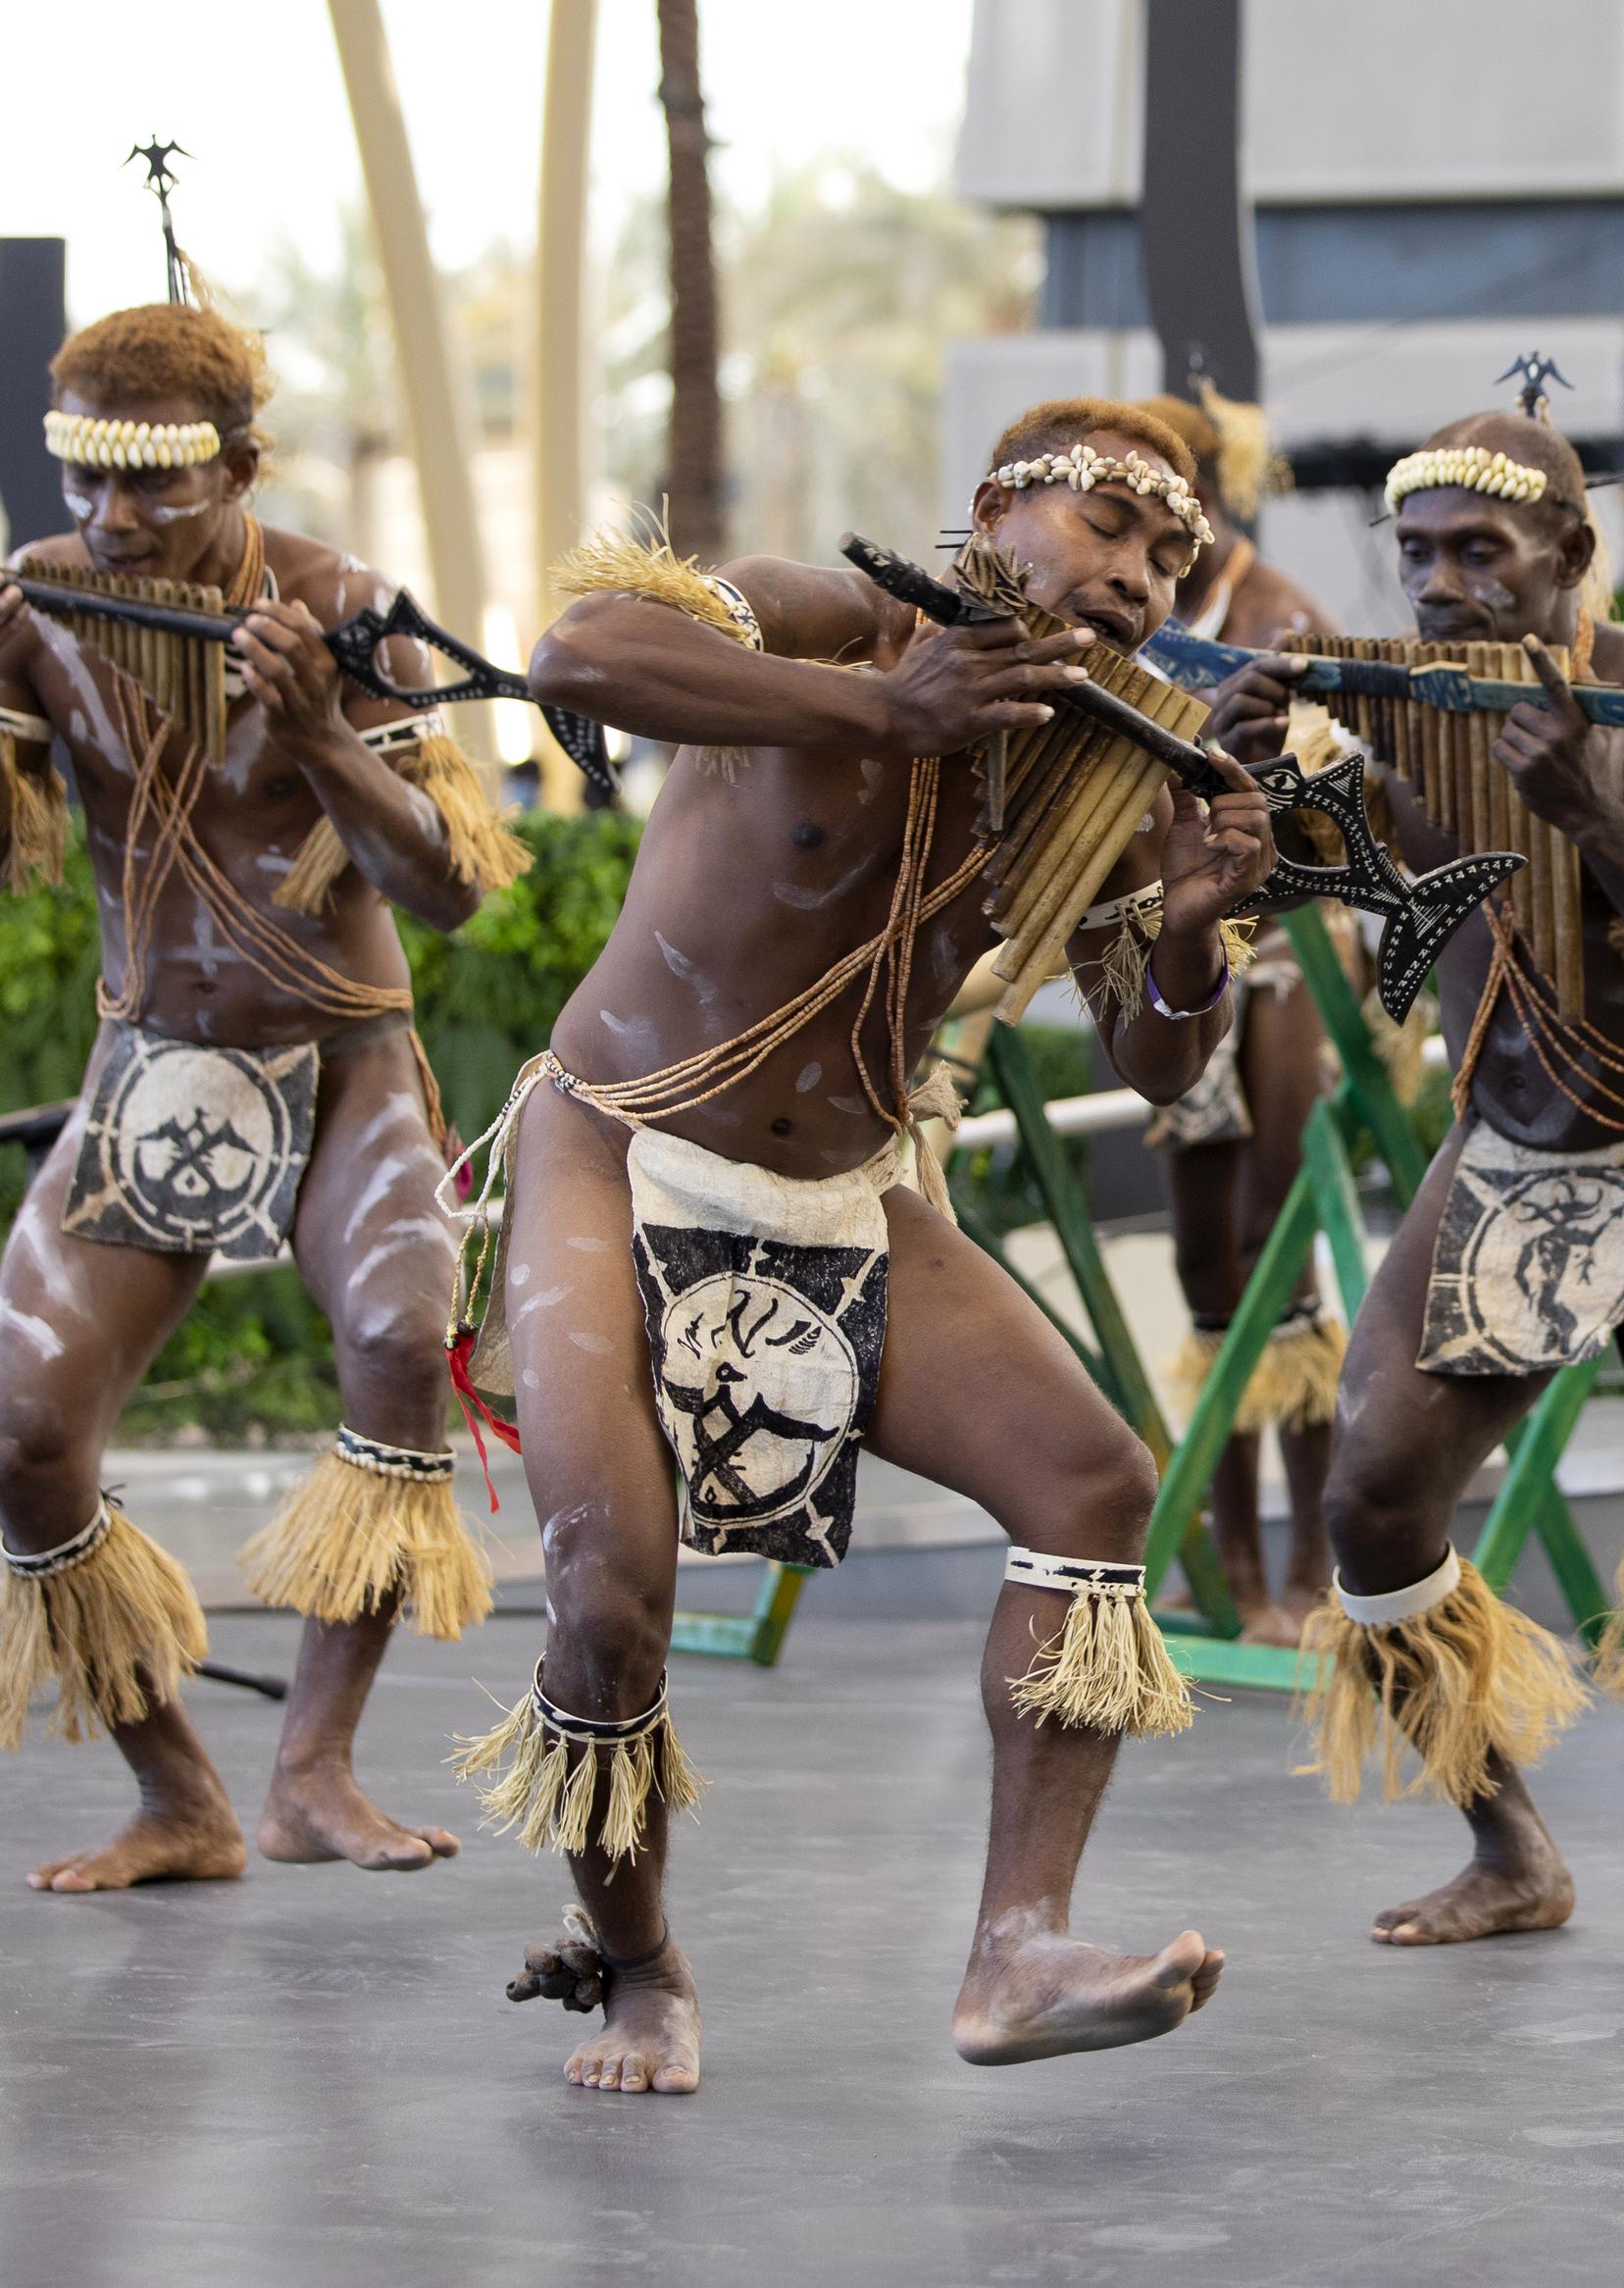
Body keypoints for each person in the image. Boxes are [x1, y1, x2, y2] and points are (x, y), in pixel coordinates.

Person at [490, 395, 1281, 2095]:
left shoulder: (1098, 766)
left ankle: (1019, 1952)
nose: (1140, 577)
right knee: (611, 1595)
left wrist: (1195, 938)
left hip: (846, 1196)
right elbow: (579, 652)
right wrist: (884, 704)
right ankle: (637, 1965)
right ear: (995, 506)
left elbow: (1159, 1066)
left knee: (1090, 1485)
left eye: (1171, 555)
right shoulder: (838, 613)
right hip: (619, 1150)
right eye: (1110, 527)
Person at [0, 293, 529, 1893]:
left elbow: (447, 894)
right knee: (25, 1434)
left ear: (243, 463)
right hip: (156, 1064)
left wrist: (320, 729)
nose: (113, 518)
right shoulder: (37, 606)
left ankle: (311, 1770)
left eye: (155, 484)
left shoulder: (345, 607)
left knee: (396, 1340)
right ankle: (181, 1793)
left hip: (346, 1058)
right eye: (87, 481)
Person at [1206, 384, 1624, 1964]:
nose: (1436, 585)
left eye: (1478, 550)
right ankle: (1510, 1847)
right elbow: (1314, 883)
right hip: (1511, 1141)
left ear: (1570, 554)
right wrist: (1218, 771)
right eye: (1414, 552)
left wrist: (1586, 817)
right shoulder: (1400, 716)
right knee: (1370, 1498)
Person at [1134, 383, 1345, 1646]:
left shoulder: (1281, 620)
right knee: (1202, 1259)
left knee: (1280, 1244)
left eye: (1175, 507)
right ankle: (1231, 1566)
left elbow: (1333, 824)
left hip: (1287, 952)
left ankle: (1315, 1564)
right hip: (1178, 947)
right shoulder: (1136, 613)